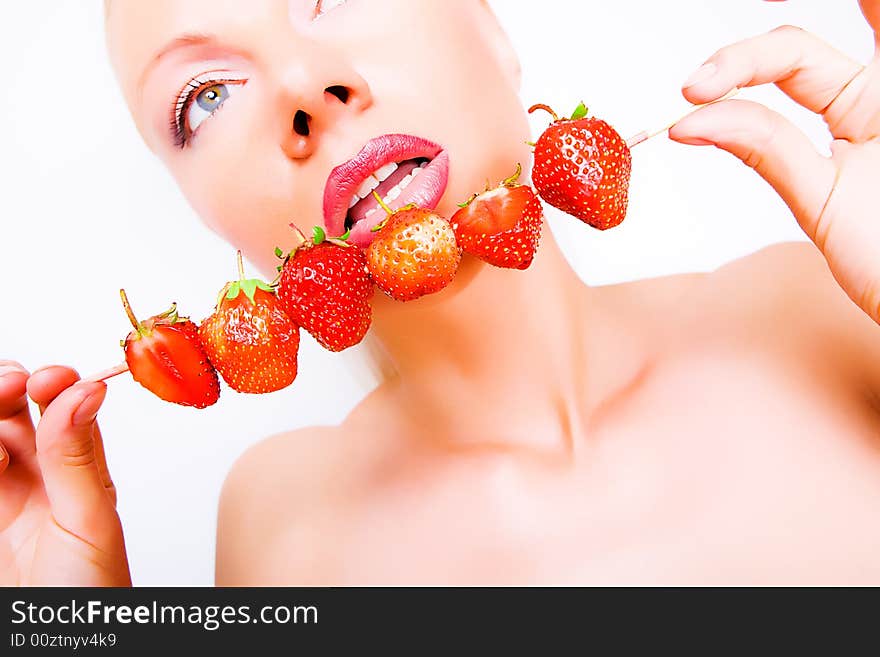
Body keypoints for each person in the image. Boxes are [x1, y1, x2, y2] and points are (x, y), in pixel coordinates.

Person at [1, 0, 879, 586]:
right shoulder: (285, 532)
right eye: (202, 99)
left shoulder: (824, 313)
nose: (306, 89)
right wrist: (74, 623)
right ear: (207, 217)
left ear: (491, 28)